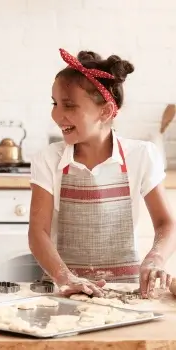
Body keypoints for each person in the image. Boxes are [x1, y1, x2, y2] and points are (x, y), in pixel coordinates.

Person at [28, 48, 176, 299]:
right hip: (65, 292)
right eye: (54, 103)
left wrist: (156, 259)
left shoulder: (141, 155)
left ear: (106, 111)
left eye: (69, 105)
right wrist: (65, 278)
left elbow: (166, 224)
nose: (56, 114)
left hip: (127, 292)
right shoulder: (48, 159)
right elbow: (37, 233)